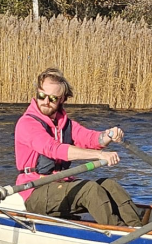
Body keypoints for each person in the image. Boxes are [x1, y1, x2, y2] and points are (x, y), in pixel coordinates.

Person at [14, 67, 144, 227]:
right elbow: (54, 149)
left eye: (52, 98)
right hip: (35, 191)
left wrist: (109, 134)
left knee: (109, 185)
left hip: (60, 184)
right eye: (41, 96)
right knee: (90, 190)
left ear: (62, 100)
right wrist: (100, 155)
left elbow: (91, 138)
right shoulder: (27, 124)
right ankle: (119, 233)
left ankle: (140, 229)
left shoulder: (65, 125)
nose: (45, 102)